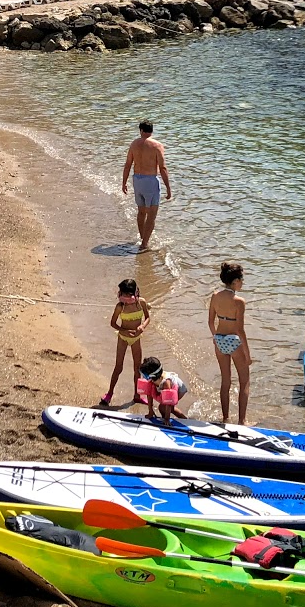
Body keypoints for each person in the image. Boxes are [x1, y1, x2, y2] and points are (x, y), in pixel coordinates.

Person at [99, 279, 152, 407]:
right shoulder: (120, 306)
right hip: (123, 337)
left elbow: (148, 317)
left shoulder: (141, 303)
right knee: (118, 367)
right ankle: (110, 393)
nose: (126, 298)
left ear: (135, 293)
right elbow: (112, 323)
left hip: (136, 338)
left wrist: (142, 326)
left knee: (137, 368)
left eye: (129, 295)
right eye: (123, 295)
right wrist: (124, 331)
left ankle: (137, 395)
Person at [208, 262, 250, 424]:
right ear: (234, 281)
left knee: (225, 381)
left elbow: (210, 322)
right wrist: (247, 354)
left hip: (220, 340)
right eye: (241, 279)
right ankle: (242, 421)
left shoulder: (215, 296)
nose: (242, 282)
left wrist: (215, 338)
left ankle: (225, 418)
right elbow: (240, 330)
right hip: (234, 341)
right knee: (244, 381)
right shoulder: (239, 301)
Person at [121, 120, 172, 252]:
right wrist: (168, 187)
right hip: (150, 181)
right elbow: (163, 168)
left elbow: (128, 164)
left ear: (141, 131)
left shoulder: (134, 144)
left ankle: (143, 238)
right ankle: (144, 244)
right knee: (152, 214)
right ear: (152, 131)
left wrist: (124, 182)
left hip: (137, 180)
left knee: (141, 211)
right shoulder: (157, 146)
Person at [137, 356, 188, 425]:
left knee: (163, 407)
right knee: (164, 407)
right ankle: (165, 418)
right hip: (163, 384)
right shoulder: (152, 379)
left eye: (145, 376)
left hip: (179, 388)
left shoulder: (166, 383)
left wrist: (167, 419)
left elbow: (169, 402)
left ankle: (185, 421)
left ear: (152, 375)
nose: (144, 378)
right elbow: (149, 394)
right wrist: (150, 411)